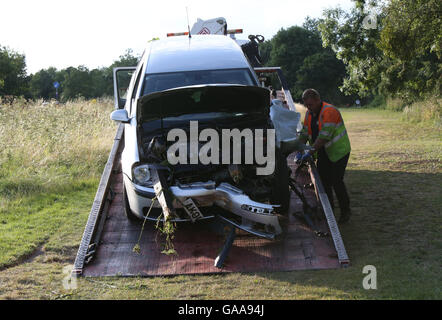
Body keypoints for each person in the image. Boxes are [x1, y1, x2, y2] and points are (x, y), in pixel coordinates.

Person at [297, 89, 352, 223]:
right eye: (306, 105)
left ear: (317, 100)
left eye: (310, 105)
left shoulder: (329, 112)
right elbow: (304, 133)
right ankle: (329, 210)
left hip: (338, 152)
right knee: (324, 182)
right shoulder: (310, 114)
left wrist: (308, 152)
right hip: (323, 152)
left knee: (336, 181)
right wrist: (298, 148)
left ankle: (345, 212)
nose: (308, 108)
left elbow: (323, 137)